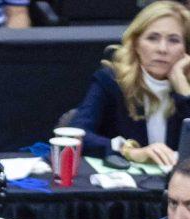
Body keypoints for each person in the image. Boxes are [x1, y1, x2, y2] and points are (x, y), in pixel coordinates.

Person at [69, 1, 190, 167]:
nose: (162, 49)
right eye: (152, 38)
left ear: (186, 50)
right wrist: (129, 151)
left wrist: (184, 91)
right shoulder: (111, 81)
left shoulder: (186, 86)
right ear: (136, 44)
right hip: (130, 189)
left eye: (174, 40)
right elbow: (76, 134)